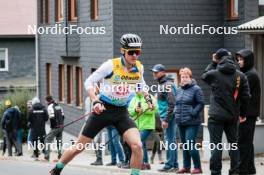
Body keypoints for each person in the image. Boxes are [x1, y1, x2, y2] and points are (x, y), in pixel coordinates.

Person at [49, 33, 153, 175]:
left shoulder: (139, 68)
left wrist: (148, 99)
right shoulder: (111, 65)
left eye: (138, 52)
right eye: (131, 52)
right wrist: (95, 100)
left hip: (121, 112)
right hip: (103, 109)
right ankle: (57, 169)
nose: (135, 56)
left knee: (137, 145)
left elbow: (141, 85)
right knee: (79, 147)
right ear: (123, 51)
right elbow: (89, 82)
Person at [201, 49, 251, 175]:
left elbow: (204, 75)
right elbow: (246, 97)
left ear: (218, 59)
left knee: (216, 145)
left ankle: (216, 172)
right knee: (233, 145)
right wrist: (243, 114)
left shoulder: (215, 73)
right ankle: (234, 171)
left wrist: (213, 63)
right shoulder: (241, 76)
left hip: (216, 116)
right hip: (232, 116)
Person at [236, 49, 261, 175]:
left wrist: (241, 114)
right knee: (247, 142)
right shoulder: (248, 73)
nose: (239, 62)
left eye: (242, 59)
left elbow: (243, 96)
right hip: (249, 114)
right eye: (238, 59)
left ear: (248, 60)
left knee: (243, 142)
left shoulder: (249, 75)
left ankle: (243, 170)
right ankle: (250, 169)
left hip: (246, 114)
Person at [175, 68, 204, 174]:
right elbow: (177, 104)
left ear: (190, 77)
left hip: (192, 122)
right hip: (180, 121)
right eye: (182, 77)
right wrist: (175, 113)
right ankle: (186, 167)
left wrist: (193, 113)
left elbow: (201, 103)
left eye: (186, 76)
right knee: (185, 145)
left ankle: (198, 167)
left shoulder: (196, 89)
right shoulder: (178, 90)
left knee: (190, 144)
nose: (184, 78)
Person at [151, 64, 178, 172]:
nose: (154, 73)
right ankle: (174, 165)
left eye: (156, 72)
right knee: (171, 141)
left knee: (169, 141)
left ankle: (170, 165)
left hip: (168, 118)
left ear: (162, 72)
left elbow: (172, 103)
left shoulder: (168, 85)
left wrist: (166, 119)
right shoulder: (163, 84)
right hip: (166, 117)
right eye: (153, 72)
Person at [128, 86, 157, 170]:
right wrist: (136, 110)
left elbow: (155, 109)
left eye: (139, 89)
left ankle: (142, 163)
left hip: (147, 125)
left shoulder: (150, 97)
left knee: (139, 143)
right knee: (142, 144)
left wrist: (143, 109)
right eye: (136, 89)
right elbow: (130, 111)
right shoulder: (134, 99)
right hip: (136, 126)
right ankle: (146, 163)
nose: (137, 91)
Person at [45, 95, 65, 161]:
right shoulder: (58, 106)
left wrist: (53, 127)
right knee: (59, 141)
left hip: (55, 127)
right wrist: (61, 124)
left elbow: (52, 118)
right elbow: (63, 116)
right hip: (61, 126)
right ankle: (60, 155)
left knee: (47, 139)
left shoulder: (50, 107)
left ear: (47, 101)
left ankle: (46, 157)